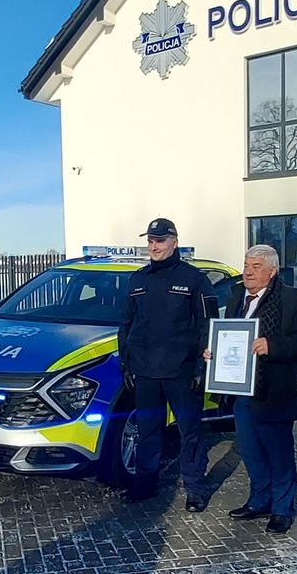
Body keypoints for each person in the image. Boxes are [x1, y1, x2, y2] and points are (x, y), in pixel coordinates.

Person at [218, 244, 297, 534]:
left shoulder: (294, 299)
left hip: (274, 391)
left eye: (256, 267)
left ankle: (283, 508)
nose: (248, 272)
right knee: (250, 451)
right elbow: (229, 334)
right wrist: (215, 350)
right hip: (241, 390)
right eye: (246, 265)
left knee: (279, 453)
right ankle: (260, 500)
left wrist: (273, 346)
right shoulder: (237, 297)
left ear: (272, 271)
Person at [117, 217, 215, 511]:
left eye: (159, 241)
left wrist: (201, 368)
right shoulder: (138, 279)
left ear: (175, 242)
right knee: (148, 432)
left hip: (182, 373)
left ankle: (195, 488)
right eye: (150, 241)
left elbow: (208, 326)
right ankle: (145, 485)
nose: (154, 246)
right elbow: (126, 325)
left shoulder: (194, 280)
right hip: (145, 372)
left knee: (190, 432)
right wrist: (126, 364)